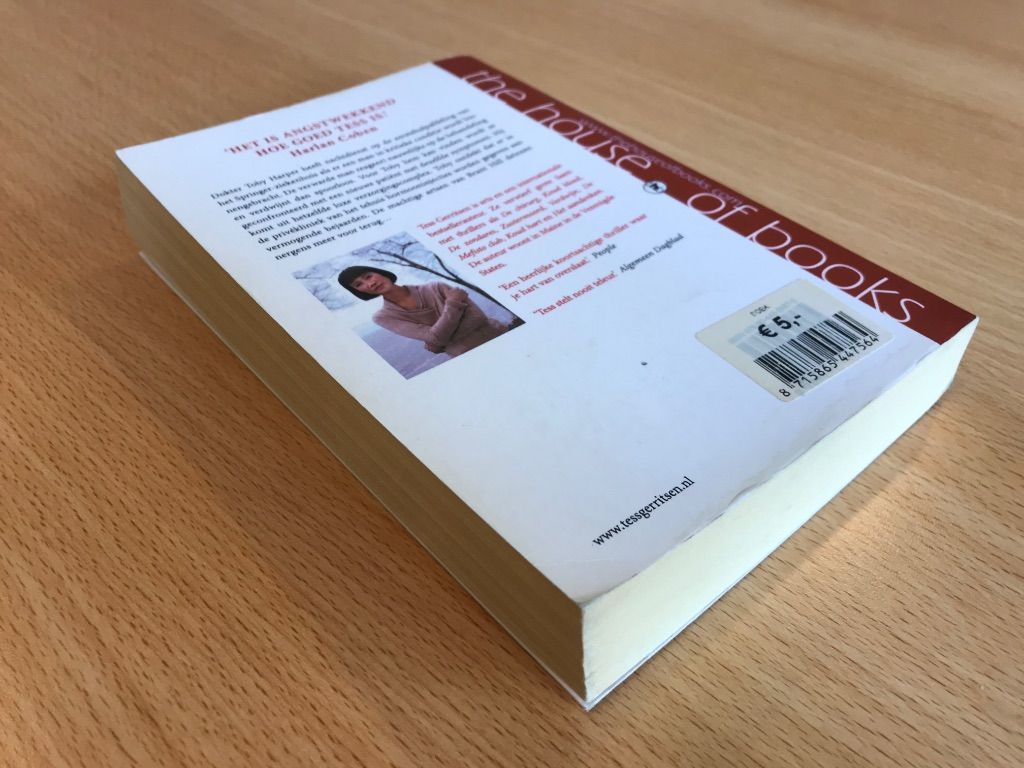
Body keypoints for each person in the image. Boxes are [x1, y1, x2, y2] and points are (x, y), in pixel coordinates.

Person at [338, 266, 512, 357]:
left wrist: (440, 342)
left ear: (380, 273)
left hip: (501, 336)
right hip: (468, 356)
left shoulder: (436, 287)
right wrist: (452, 304)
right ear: (358, 292)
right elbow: (434, 338)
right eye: (359, 284)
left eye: (368, 276)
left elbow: (477, 318)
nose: (370, 284)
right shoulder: (383, 317)